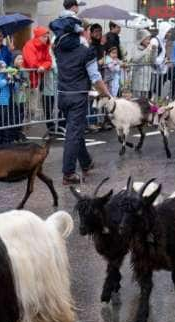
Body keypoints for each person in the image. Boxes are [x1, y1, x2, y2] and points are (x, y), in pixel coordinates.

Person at [50, 0, 111, 185]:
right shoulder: (86, 52)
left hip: (62, 95)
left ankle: (85, 162)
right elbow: (95, 78)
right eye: (84, 29)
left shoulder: (58, 49)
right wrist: (106, 93)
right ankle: (68, 173)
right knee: (73, 134)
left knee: (74, 130)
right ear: (79, 32)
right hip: (77, 96)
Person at [23, 26, 55, 132]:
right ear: (38, 36)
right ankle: (21, 129)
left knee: (32, 107)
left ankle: (25, 128)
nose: (46, 38)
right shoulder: (29, 45)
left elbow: (49, 61)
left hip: (38, 79)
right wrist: (41, 66)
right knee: (24, 106)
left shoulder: (45, 47)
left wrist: (43, 67)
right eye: (44, 36)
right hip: (27, 79)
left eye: (47, 36)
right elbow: (31, 62)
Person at [128, 29, 155, 98]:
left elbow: (152, 61)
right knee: (136, 98)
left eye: (149, 39)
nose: (149, 41)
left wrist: (154, 51)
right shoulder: (135, 48)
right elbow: (135, 58)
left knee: (145, 99)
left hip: (147, 77)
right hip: (138, 77)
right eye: (147, 39)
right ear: (141, 39)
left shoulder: (148, 48)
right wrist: (146, 50)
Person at [151, 21, 173, 99]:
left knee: (158, 91)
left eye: (170, 32)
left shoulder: (163, 41)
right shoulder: (155, 41)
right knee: (153, 91)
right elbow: (153, 59)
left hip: (161, 70)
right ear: (163, 31)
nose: (170, 34)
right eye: (168, 32)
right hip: (154, 71)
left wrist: (165, 59)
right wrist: (163, 61)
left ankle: (158, 104)